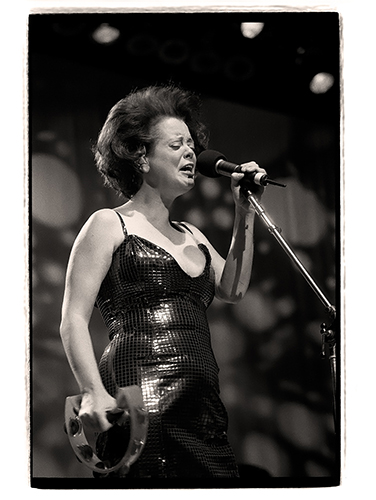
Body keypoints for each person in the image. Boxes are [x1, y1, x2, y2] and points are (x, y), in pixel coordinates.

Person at [60, 84, 266, 480]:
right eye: (176, 145)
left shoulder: (193, 234)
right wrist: (93, 391)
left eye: (191, 144)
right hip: (139, 394)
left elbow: (235, 289)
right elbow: (72, 320)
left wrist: (244, 212)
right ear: (141, 156)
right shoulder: (109, 223)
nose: (191, 152)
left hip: (202, 403)